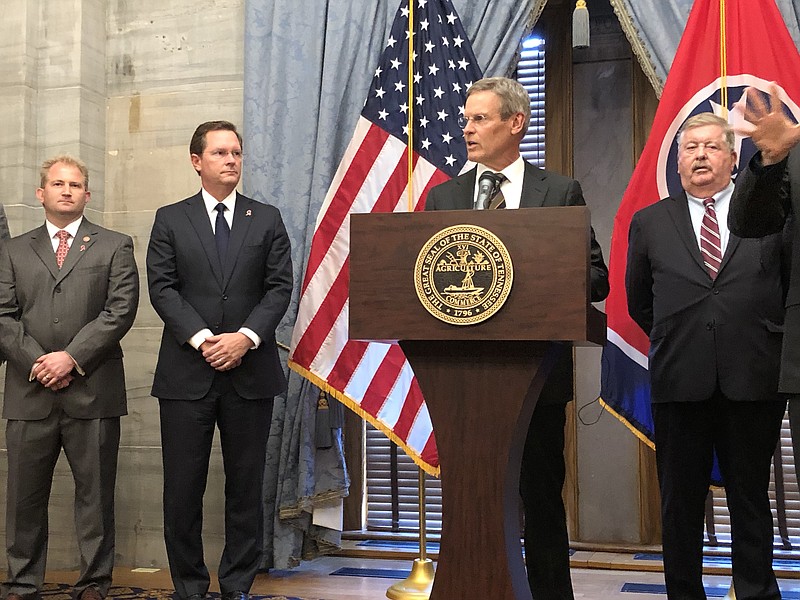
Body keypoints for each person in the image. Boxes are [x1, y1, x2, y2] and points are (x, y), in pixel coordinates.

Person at [425, 76, 609, 600]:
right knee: (470, 498)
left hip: (536, 379)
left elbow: (596, 278)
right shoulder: (445, 197)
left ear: (516, 123)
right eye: (465, 119)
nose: (467, 129)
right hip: (461, 382)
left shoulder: (560, 191)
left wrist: (535, 273)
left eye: (479, 119)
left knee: (540, 499)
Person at [626, 113, 786, 600]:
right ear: (677, 164)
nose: (699, 155)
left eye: (712, 147)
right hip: (681, 379)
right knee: (680, 504)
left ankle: (757, 592)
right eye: (690, 148)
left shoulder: (769, 214)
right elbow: (640, 303)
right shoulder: (650, 222)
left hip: (753, 376)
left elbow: (782, 287)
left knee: (751, 500)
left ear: (734, 159)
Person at [146, 121, 292, 600]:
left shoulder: (266, 218)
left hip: (250, 372)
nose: (231, 160)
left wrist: (245, 338)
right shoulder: (170, 218)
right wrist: (207, 338)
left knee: (246, 488)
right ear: (197, 162)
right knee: (182, 490)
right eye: (220, 153)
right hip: (187, 374)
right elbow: (162, 288)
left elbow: (279, 289)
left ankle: (237, 586)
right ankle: (189, 586)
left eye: (237, 152)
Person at [0, 155, 140, 600]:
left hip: (92, 392)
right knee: (23, 502)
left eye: (75, 185)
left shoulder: (115, 244)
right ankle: (23, 585)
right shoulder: (13, 249)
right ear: (41, 194)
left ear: (87, 194)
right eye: (57, 184)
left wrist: (70, 359)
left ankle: (94, 585)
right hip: (28, 392)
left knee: (95, 501)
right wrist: (40, 362)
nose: (66, 190)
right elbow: (3, 315)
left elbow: (119, 311)